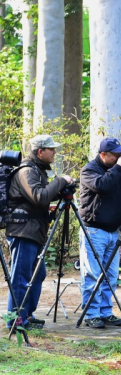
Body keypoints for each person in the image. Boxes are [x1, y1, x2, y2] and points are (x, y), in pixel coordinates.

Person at [5, 135, 73, 329]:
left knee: (37, 274)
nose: (55, 152)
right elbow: (40, 197)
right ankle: (15, 321)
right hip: (23, 232)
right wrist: (60, 180)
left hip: (33, 231)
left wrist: (59, 191)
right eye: (51, 149)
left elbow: (40, 198)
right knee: (21, 277)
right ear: (40, 152)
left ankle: (26, 316)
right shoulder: (27, 171)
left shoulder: (37, 170)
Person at [79, 137, 121, 329]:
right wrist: (119, 168)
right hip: (94, 230)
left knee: (110, 276)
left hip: (114, 231)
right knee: (93, 275)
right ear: (103, 155)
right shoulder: (89, 170)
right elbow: (101, 186)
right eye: (116, 154)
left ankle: (105, 311)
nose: (120, 156)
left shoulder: (117, 170)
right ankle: (91, 314)